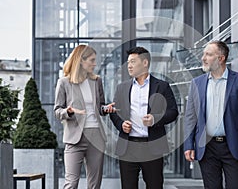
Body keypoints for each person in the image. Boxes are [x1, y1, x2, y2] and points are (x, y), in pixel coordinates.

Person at [184, 41, 238, 189]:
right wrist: (189, 145)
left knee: (235, 186)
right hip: (207, 147)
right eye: (204, 54)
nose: (203, 58)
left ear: (221, 58)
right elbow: (190, 117)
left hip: (233, 145)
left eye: (208, 54)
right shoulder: (196, 83)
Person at [110, 46, 178, 189]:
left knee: (155, 185)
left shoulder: (162, 86)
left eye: (133, 62)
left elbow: (173, 112)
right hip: (128, 147)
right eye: (128, 62)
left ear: (145, 63)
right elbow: (114, 112)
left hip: (152, 146)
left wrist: (155, 119)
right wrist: (121, 124)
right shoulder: (122, 88)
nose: (129, 65)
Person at [54, 44, 115, 189]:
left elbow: (100, 107)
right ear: (81, 60)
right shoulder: (64, 82)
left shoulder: (96, 81)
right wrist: (68, 111)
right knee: (71, 183)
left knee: (94, 185)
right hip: (75, 138)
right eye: (92, 60)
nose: (95, 64)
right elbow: (57, 111)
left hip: (96, 136)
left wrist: (106, 109)